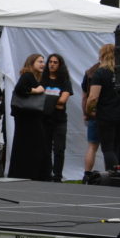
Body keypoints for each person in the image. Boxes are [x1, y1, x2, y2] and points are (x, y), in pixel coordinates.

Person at [86, 44, 120, 170]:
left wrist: (90, 110)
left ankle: (113, 176)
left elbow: (93, 97)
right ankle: (118, 175)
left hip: (106, 115)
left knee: (108, 149)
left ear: (102, 55)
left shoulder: (100, 73)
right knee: (116, 147)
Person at [8, 54, 49, 181]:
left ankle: (28, 172)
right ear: (32, 63)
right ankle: (31, 173)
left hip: (28, 117)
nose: (43, 64)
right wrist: (37, 90)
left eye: (43, 62)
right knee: (33, 145)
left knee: (28, 145)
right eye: (40, 61)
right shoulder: (28, 75)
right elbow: (20, 89)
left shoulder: (33, 76)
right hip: (27, 117)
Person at [41, 54, 73, 182]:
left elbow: (63, 101)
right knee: (45, 148)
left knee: (59, 149)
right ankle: (46, 173)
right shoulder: (42, 80)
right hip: (44, 119)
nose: (52, 64)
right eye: (50, 62)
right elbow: (38, 100)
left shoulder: (64, 81)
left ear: (60, 65)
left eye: (55, 62)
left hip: (59, 120)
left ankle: (57, 175)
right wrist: (55, 101)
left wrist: (47, 101)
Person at [81, 62, 100, 182]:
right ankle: (115, 176)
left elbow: (85, 96)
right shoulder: (114, 72)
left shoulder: (90, 72)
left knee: (92, 146)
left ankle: (86, 174)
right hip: (112, 114)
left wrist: (86, 112)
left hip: (93, 113)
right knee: (112, 148)